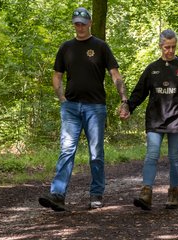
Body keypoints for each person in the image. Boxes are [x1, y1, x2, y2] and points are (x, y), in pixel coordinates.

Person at [39, 7, 129, 211]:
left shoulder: (101, 46)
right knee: (66, 150)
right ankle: (57, 195)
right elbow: (57, 75)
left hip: (95, 107)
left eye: (82, 22)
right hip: (70, 107)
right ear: (74, 24)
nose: (79, 26)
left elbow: (115, 74)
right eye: (76, 23)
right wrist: (62, 98)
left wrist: (124, 99)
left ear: (89, 23)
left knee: (96, 152)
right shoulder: (66, 48)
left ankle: (96, 194)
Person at [120, 29, 178, 210]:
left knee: (174, 158)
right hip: (155, 120)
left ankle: (173, 193)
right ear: (160, 46)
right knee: (152, 155)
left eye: (173, 47)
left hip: (177, 120)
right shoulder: (152, 68)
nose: (170, 51)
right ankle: (146, 193)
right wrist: (128, 107)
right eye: (166, 47)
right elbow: (139, 92)